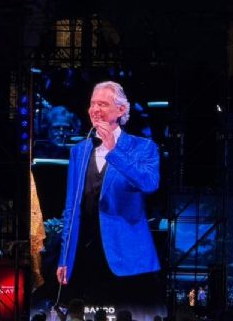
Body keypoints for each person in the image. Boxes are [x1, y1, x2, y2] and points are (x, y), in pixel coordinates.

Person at [56, 80, 160, 305]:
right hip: (86, 254)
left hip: (127, 257)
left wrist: (114, 150)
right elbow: (71, 208)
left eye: (102, 104)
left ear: (121, 110)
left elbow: (150, 183)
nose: (95, 110)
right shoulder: (79, 151)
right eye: (92, 104)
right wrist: (65, 257)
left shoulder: (143, 147)